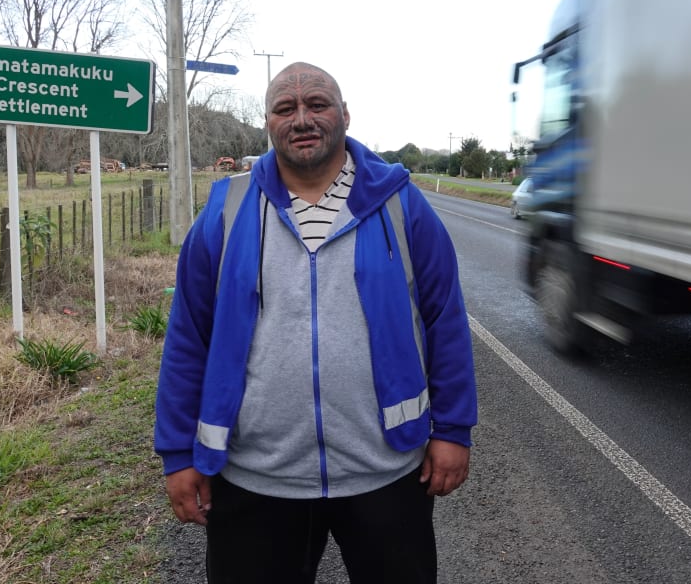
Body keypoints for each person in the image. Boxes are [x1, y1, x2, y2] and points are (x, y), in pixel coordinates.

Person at [154, 62, 478, 584]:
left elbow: (444, 320)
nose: (301, 118)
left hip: (385, 473)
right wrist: (176, 453)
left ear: (345, 115)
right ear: (268, 123)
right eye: (286, 108)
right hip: (256, 478)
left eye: (317, 104)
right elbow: (189, 335)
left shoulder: (400, 204)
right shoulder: (226, 209)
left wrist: (454, 429)